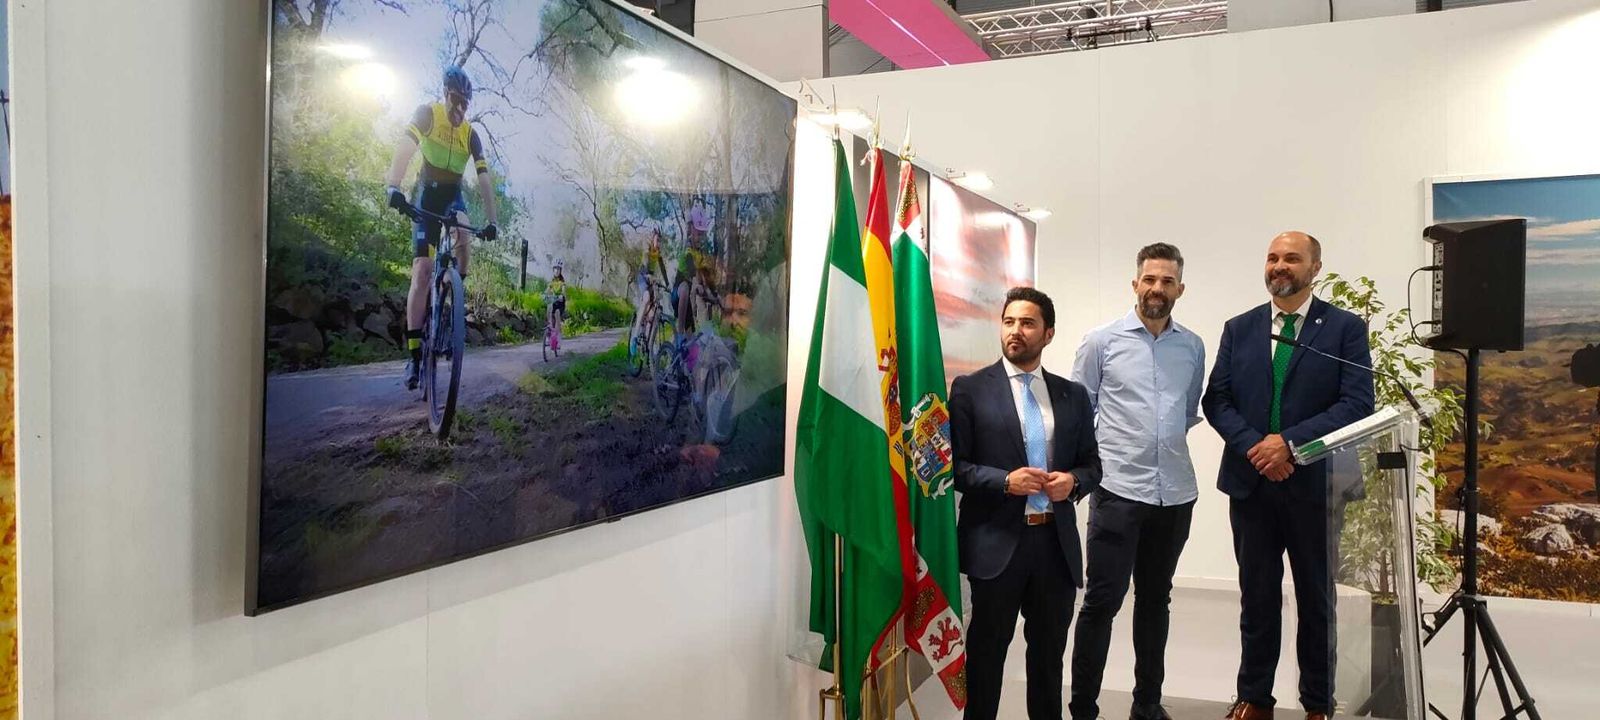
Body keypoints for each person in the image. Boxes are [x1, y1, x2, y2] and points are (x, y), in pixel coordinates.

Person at [1202, 232, 1374, 720]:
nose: (1280, 266)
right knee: (1256, 596)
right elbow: (1217, 399)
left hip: (1317, 484)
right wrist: (1258, 447)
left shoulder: (1343, 328)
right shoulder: (1240, 328)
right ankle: (1255, 696)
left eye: (1292, 258)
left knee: (1316, 600)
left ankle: (1318, 703)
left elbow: (1358, 403)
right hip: (1251, 481)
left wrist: (1289, 445)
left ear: (1315, 267)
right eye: (1273, 257)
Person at [949, 287, 1102, 720]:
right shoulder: (971, 389)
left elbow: (1093, 466)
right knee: (985, 658)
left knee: (1048, 662)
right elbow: (953, 468)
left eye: (1028, 323)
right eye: (1010, 321)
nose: (1016, 331)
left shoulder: (1072, 395)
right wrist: (1005, 482)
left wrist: (1072, 482)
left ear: (1048, 333)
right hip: (996, 546)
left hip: (1054, 546)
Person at [1067, 243, 1206, 720]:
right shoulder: (1101, 342)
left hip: (1176, 495)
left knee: (1155, 601)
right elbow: (1078, 415)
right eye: (1149, 279)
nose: (1157, 289)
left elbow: (1187, 413)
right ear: (1135, 284)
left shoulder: (1192, 346)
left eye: (1167, 281)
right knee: (1102, 602)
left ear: (1180, 289)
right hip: (1118, 492)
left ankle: (1147, 703)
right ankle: (1083, 707)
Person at [385, 65, 499, 390]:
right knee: (421, 271)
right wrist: (394, 185)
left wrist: (492, 222)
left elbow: (485, 179)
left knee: (464, 231)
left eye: (466, 103)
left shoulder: (470, 134)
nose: (460, 109)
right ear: (445, 94)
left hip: (453, 197)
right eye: (456, 100)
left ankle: (454, 290)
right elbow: (405, 148)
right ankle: (414, 354)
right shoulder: (428, 114)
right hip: (426, 197)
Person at [545, 262, 567, 339]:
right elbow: (548, 289)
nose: (557, 271)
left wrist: (562, 295)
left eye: (558, 269)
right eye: (555, 269)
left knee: (557, 313)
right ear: (553, 270)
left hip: (560, 303)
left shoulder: (562, 282)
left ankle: (558, 335)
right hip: (554, 302)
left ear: (560, 271)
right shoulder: (552, 281)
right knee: (549, 309)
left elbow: (564, 291)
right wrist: (545, 294)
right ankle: (549, 327)